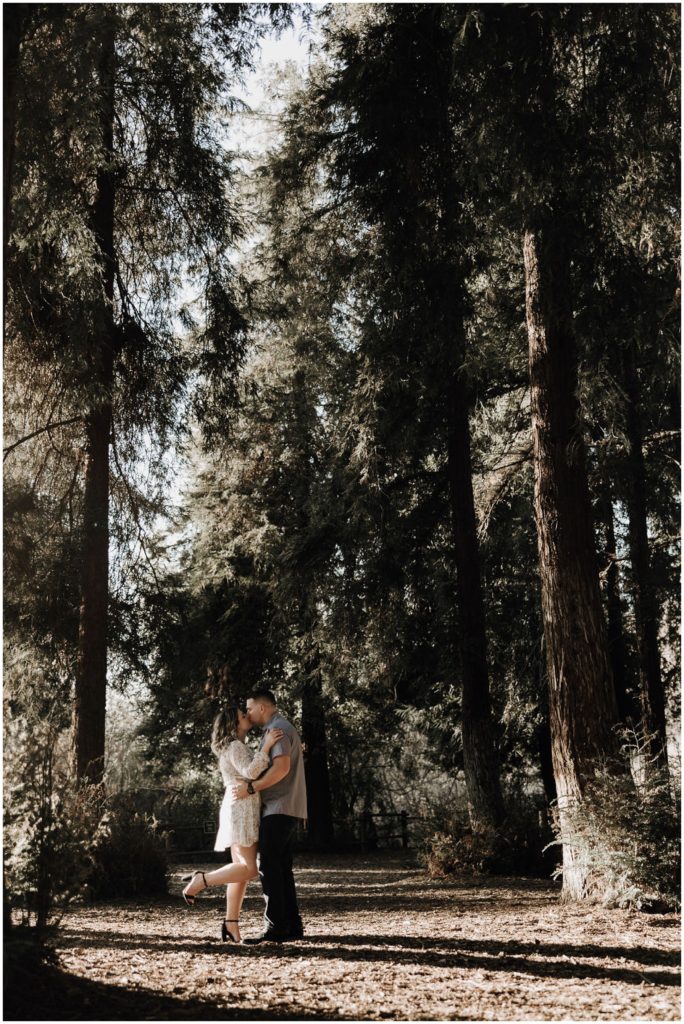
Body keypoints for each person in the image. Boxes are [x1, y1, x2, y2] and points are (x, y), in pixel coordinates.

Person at [181, 704, 283, 943]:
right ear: (233, 723)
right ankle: (201, 880)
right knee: (249, 869)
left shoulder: (233, 746)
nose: (247, 716)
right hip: (241, 807)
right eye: (242, 715)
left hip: (239, 806)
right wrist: (268, 746)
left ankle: (231, 924)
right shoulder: (235, 746)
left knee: (240, 870)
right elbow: (251, 771)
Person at [231, 689, 307, 943]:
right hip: (285, 807)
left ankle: (276, 928)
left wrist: (252, 787)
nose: (248, 714)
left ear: (262, 707)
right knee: (282, 868)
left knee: (269, 866)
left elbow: (282, 768)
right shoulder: (276, 730)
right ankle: (292, 926)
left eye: (250, 708)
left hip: (279, 807)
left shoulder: (279, 729)